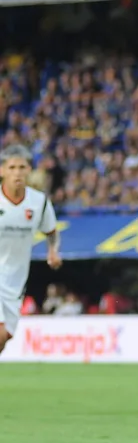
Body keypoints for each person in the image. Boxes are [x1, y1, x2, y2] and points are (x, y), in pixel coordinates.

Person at [0, 145, 62, 355]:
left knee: (4, 338)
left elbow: (51, 231)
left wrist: (52, 251)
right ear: (2, 171)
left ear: (29, 170)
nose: (17, 172)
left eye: (22, 167)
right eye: (11, 167)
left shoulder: (39, 202)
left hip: (15, 280)